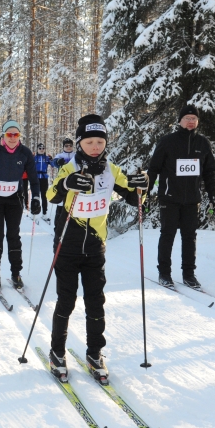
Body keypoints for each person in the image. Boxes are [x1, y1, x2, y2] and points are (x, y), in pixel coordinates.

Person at [45, 114, 147, 384]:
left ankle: (94, 352)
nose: (94, 147)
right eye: (89, 141)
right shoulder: (69, 168)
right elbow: (52, 195)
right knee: (66, 300)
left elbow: (131, 194)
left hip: (95, 247)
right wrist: (66, 184)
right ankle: (57, 352)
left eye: (99, 141)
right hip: (66, 246)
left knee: (95, 302)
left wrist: (141, 188)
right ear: (79, 143)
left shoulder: (111, 170)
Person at [147, 104, 215, 290]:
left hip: (191, 200)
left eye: (194, 119)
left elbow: (209, 172)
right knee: (168, 235)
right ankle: (164, 273)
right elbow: (154, 168)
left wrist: (212, 195)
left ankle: (189, 275)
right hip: (169, 198)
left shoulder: (202, 143)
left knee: (189, 237)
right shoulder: (168, 141)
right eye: (187, 118)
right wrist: (145, 193)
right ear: (180, 121)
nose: (191, 121)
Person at [0, 120, 40, 289]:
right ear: (3, 135)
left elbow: (34, 180)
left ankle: (16, 274)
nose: (12, 138)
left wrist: (36, 198)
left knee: (13, 236)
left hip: (15, 199)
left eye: (16, 134)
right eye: (9, 134)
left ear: (20, 136)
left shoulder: (25, 153)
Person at [33, 143, 53, 222]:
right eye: (40, 148)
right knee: (35, 196)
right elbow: (29, 165)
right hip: (36, 178)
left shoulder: (46, 158)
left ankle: (44, 213)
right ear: (37, 149)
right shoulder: (35, 158)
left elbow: (53, 165)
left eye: (43, 148)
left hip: (44, 178)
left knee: (44, 196)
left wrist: (51, 159)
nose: (41, 149)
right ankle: (34, 212)